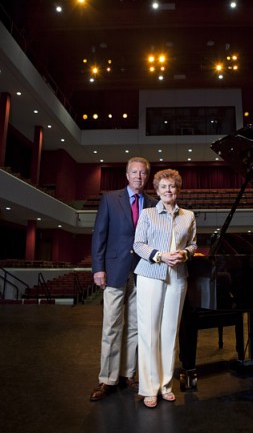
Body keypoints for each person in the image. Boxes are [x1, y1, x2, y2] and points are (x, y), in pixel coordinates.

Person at [90, 157, 158, 401]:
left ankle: (127, 375)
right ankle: (107, 378)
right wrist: (98, 268)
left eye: (143, 173)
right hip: (114, 270)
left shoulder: (153, 203)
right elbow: (99, 234)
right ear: (127, 175)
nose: (138, 176)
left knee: (135, 328)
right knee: (111, 326)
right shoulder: (110, 199)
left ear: (147, 177)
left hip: (142, 273)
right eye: (134, 172)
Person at [133, 168, 197, 408]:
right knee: (149, 332)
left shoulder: (188, 215)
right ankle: (149, 388)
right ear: (157, 191)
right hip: (151, 274)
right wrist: (159, 255)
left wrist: (185, 253)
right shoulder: (148, 214)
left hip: (178, 276)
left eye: (172, 186)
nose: (168, 190)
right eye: (163, 187)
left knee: (170, 332)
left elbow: (193, 244)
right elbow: (138, 244)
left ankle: (166, 385)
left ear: (177, 189)